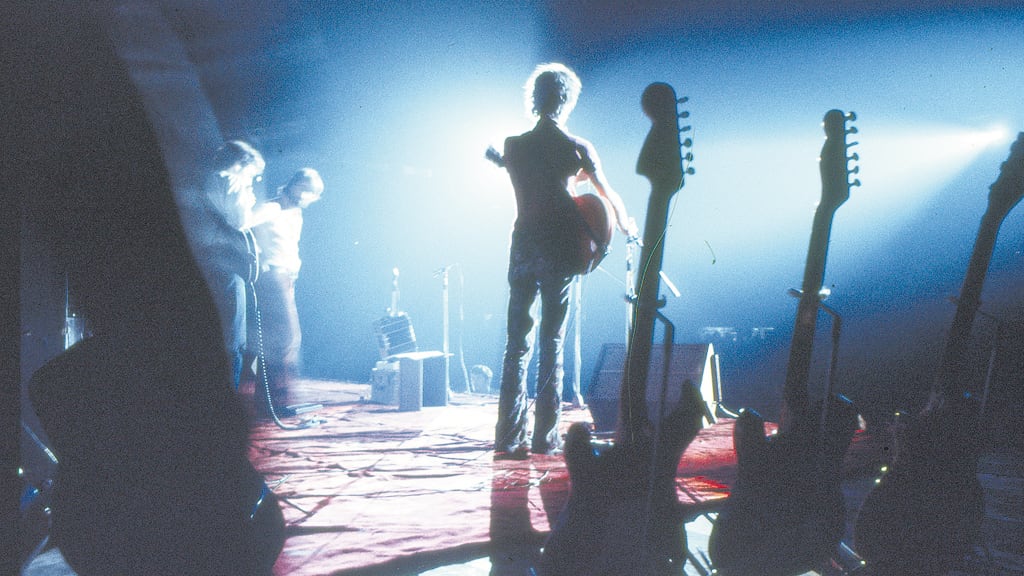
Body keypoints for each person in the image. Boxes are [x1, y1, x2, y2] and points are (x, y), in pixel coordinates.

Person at [494, 63, 636, 458]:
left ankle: (507, 437)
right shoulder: (576, 147)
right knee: (551, 342)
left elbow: (524, 174)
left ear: (534, 98)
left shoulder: (513, 145)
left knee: (516, 342)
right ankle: (545, 437)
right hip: (559, 250)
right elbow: (606, 194)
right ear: (567, 100)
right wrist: (626, 224)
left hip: (523, 247)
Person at [249, 168, 325, 416]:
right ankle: (277, 399)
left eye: (312, 194)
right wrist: (259, 258)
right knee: (285, 337)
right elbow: (243, 224)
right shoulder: (272, 208)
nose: (307, 196)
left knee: (284, 338)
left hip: (286, 277)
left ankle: (273, 397)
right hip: (272, 275)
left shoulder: (295, 214)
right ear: (294, 185)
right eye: (305, 189)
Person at [193, 140, 266, 389]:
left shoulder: (207, 178)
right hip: (224, 265)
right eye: (252, 174)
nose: (252, 180)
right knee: (233, 342)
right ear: (243, 164)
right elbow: (240, 219)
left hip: (204, 262)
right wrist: (255, 202)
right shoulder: (231, 180)